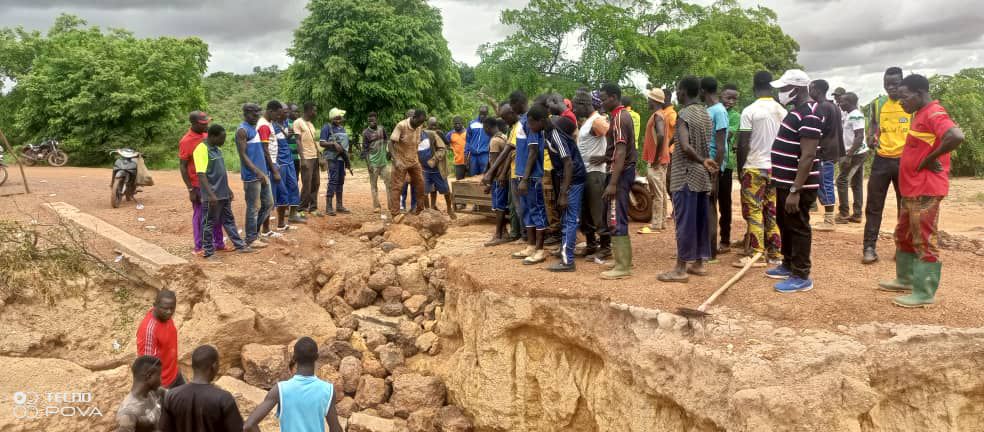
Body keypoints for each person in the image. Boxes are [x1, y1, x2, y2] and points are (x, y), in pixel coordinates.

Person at [878, 74, 964, 307]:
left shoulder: (934, 113)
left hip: (926, 188)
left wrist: (930, 158)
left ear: (919, 93)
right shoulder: (920, 113)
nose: (900, 101)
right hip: (912, 188)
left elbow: (956, 135)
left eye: (904, 96)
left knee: (924, 238)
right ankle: (905, 279)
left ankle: (925, 292)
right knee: (904, 234)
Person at [766, 69, 822, 293]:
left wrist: (795, 190)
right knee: (785, 222)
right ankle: (788, 263)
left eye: (783, 88)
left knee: (798, 226)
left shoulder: (809, 114)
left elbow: (808, 155)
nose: (780, 92)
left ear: (796, 89)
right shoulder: (797, 112)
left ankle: (801, 274)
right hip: (785, 182)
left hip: (798, 186)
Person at [658, 76, 716, 283]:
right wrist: (705, 162)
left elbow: (684, 146)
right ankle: (699, 263)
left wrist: (701, 160)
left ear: (683, 91)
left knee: (684, 222)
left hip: (685, 175)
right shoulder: (705, 113)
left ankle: (680, 269)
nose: (676, 93)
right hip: (702, 176)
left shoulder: (684, 114)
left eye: (677, 90)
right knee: (700, 221)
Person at [733, 71, 786, 268]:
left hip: (754, 167)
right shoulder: (782, 111)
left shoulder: (750, 111)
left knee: (754, 210)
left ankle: (756, 253)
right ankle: (775, 253)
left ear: (754, 87)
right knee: (771, 210)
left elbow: (743, 143)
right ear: (772, 87)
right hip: (775, 169)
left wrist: (741, 170)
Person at [243, 337, 343, 432]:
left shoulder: (280, 389)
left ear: (294, 358)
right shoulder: (327, 390)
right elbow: (335, 429)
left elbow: (249, 425)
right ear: (316, 357)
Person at [863, 67, 910, 264]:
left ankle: (902, 249)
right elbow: (873, 126)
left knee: (905, 207)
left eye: (895, 84)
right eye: (887, 84)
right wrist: (871, 138)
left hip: (905, 162)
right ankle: (869, 248)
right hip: (881, 160)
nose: (890, 88)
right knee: (874, 206)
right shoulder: (878, 103)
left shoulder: (909, 104)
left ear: (902, 83)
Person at [194, 125, 254, 260]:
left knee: (229, 220)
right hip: (212, 196)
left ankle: (240, 246)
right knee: (208, 223)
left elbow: (221, 173)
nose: (223, 141)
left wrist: (228, 189)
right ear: (213, 136)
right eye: (222, 138)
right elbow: (201, 175)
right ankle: (208, 252)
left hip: (223, 193)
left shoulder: (218, 149)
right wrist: (210, 195)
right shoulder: (201, 149)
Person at [537, 106, 585, 272]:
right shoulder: (547, 133)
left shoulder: (555, 134)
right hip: (568, 178)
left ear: (541, 121)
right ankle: (565, 254)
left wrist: (564, 192)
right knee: (566, 217)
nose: (529, 126)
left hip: (574, 179)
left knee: (570, 218)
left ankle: (568, 261)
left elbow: (568, 163)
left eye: (531, 122)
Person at [598, 83, 637, 279]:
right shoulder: (619, 116)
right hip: (621, 171)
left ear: (613, 97)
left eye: (604, 99)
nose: (602, 103)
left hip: (620, 174)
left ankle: (623, 267)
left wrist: (613, 183)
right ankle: (622, 260)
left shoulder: (620, 118)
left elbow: (621, 151)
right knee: (615, 215)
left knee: (616, 216)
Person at [159, 345, 244, 432]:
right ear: (214, 366)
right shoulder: (224, 398)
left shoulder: (171, 396)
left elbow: (164, 429)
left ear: (193, 366)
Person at [178, 111, 226, 256]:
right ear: (193, 124)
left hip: (213, 182)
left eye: (207, 123)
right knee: (200, 215)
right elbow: (183, 166)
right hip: (198, 184)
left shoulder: (207, 136)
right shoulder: (186, 141)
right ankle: (199, 247)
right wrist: (190, 189)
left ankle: (219, 243)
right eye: (203, 124)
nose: (207, 126)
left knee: (216, 213)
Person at [571, 89, 611, 260]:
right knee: (586, 212)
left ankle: (606, 247)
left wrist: (606, 157)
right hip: (585, 172)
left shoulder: (597, 121)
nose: (574, 110)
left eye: (575, 106)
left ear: (583, 104)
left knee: (597, 211)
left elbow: (616, 137)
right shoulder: (588, 122)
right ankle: (591, 244)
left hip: (595, 173)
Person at [511, 92, 548, 265]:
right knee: (527, 211)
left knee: (537, 211)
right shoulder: (523, 121)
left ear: (518, 102)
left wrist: (525, 179)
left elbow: (533, 151)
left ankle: (540, 250)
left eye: (512, 104)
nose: (511, 108)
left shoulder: (530, 120)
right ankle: (531, 246)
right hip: (522, 174)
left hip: (531, 176)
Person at [236, 103, 277, 249]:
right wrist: (257, 171)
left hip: (262, 173)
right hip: (252, 176)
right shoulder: (242, 131)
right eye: (254, 114)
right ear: (246, 113)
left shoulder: (254, 128)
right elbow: (243, 155)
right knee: (253, 207)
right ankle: (251, 238)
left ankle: (254, 233)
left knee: (268, 204)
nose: (257, 116)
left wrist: (264, 171)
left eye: (258, 114)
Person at [260, 101, 305, 230]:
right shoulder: (271, 126)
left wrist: (288, 135)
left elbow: (285, 140)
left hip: (289, 160)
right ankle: (268, 226)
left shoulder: (285, 123)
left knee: (293, 187)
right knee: (278, 192)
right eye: (284, 112)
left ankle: (291, 215)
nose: (286, 114)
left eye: (286, 112)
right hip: (279, 163)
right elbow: (268, 148)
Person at [700, 77, 730, 263]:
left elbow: (720, 146)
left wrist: (714, 172)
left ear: (703, 91)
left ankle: (710, 252)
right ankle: (704, 248)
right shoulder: (708, 110)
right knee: (704, 206)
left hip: (712, 167)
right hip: (704, 164)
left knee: (710, 206)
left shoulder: (719, 111)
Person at [809, 79, 844, 232]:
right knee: (823, 181)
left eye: (811, 89)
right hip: (831, 150)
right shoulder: (833, 106)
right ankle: (825, 215)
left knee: (825, 182)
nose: (809, 92)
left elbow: (818, 130)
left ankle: (829, 220)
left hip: (824, 151)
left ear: (817, 90)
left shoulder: (822, 107)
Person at [638, 88, 671, 233]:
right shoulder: (661, 114)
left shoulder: (657, 116)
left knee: (657, 193)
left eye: (649, 99)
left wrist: (656, 157)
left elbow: (661, 135)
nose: (648, 101)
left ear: (654, 101)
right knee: (661, 192)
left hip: (657, 160)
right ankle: (661, 222)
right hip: (662, 159)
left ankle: (656, 223)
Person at [136, 290, 182, 389]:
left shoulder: (166, 317)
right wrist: (158, 390)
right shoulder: (148, 330)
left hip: (174, 374)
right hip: (163, 384)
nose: (169, 312)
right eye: (165, 308)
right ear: (155, 306)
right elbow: (147, 366)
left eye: (172, 308)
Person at [389, 109, 429, 222]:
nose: (420, 124)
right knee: (397, 187)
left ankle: (420, 211)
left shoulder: (419, 126)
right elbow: (390, 143)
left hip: (414, 161)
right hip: (400, 161)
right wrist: (396, 160)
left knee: (421, 184)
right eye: (419, 122)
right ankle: (395, 214)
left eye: (422, 123)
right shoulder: (401, 126)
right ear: (414, 117)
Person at [836, 92, 867, 223]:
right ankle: (857, 214)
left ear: (849, 102)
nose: (840, 104)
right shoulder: (850, 115)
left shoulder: (855, 115)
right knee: (856, 183)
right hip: (857, 153)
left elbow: (859, 136)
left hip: (855, 154)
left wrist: (848, 156)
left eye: (842, 101)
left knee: (841, 181)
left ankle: (844, 213)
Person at [482, 116, 512, 246]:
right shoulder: (504, 137)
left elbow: (494, 163)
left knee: (498, 207)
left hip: (498, 178)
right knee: (502, 206)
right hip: (504, 176)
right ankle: (503, 232)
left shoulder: (494, 141)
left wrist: (489, 181)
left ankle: (498, 234)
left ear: (487, 127)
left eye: (484, 128)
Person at [116, 356, 165, 432]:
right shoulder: (128, 413)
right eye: (159, 375)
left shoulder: (155, 392)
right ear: (149, 376)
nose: (161, 380)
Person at [423, 117, 456, 219]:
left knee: (445, 189)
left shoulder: (439, 133)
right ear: (427, 124)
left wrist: (441, 137)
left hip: (438, 167)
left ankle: (449, 209)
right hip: (426, 168)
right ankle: (430, 209)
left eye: (435, 125)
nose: (433, 127)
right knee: (427, 190)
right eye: (431, 125)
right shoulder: (423, 134)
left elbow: (446, 145)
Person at [720, 84, 741, 250]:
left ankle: (725, 240)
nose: (731, 101)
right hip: (709, 163)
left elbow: (728, 134)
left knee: (725, 203)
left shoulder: (735, 116)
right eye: (728, 98)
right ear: (721, 95)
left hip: (726, 165)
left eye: (734, 99)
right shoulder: (712, 110)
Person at [320, 108, 351, 216]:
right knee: (333, 179)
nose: (338, 120)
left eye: (340, 118)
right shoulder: (326, 127)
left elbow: (344, 145)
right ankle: (329, 206)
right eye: (336, 118)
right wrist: (333, 144)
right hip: (332, 158)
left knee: (340, 180)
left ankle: (339, 205)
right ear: (332, 118)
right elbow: (322, 143)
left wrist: (347, 159)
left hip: (341, 158)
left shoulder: (342, 128)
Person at [294, 102, 322, 216]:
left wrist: (319, 156)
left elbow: (313, 141)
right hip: (306, 157)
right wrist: (303, 159)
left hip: (314, 157)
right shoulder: (298, 122)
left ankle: (313, 208)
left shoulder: (310, 124)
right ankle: (301, 209)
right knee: (307, 184)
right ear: (308, 110)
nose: (315, 112)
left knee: (316, 183)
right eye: (314, 110)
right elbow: (297, 140)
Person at [362, 112, 390, 213]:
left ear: (376, 119)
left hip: (384, 163)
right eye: (369, 121)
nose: (371, 122)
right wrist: (368, 164)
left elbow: (386, 140)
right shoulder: (366, 133)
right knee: (374, 186)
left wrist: (387, 151)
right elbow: (365, 150)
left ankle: (391, 205)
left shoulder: (382, 129)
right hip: (373, 164)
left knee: (389, 184)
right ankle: (376, 206)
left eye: (373, 120)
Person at [464, 106, 492, 175]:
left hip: (484, 154)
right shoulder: (472, 123)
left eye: (484, 114)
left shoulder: (490, 124)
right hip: (473, 155)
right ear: (479, 113)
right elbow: (468, 140)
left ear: (487, 114)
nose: (482, 116)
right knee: (473, 176)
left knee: (485, 175)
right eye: (481, 114)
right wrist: (466, 153)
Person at [447, 116, 468, 180]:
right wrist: (452, 148)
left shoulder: (468, 132)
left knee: (471, 180)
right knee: (459, 181)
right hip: (458, 161)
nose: (457, 125)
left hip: (469, 161)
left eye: (459, 123)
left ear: (462, 123)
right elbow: (445, 143)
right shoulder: (450, 134)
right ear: (453, 125)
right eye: (455, 124)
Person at [285, 103, 302, 177]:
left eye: (298, 112)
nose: (297, 113)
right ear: (289, 111)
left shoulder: (299, 123)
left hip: (297, 157)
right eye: (295, 111)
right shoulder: (285, 123)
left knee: (296, 177)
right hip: (288, 157)